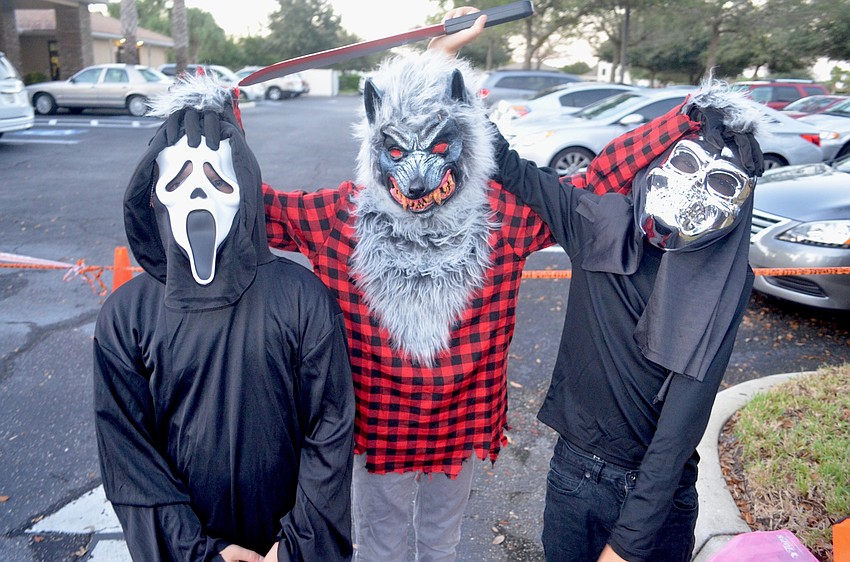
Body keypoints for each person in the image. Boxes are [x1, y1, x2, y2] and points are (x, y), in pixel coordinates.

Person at [491, 79, 766, 562]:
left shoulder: (724, 280)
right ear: (663, 162)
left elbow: (682, 425)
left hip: (659, 495)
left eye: (722, 182)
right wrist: (445, 59)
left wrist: (628, 543)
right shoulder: (599, 223)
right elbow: (508, 165)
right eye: (685, 163)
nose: (692, 187)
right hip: (574, 476)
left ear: (739, 202)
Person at [93, 74, 355, 562]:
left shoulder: (303, 299)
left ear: (246, 187)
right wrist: (197, 553)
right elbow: (128, 450)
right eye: (179, 180)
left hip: (287, 541)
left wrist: (295, 549)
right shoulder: (127, 316)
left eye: (216, 179)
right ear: (154, 194)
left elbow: (330, 429)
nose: (198, 196)